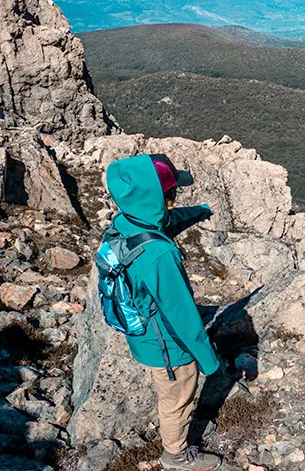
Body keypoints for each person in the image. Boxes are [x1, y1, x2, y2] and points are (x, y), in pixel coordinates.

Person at [104, 153, 223, 471]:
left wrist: (200, 212)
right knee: (177, 396)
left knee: (173, 395)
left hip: (143, 333)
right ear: (160, 198)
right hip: (168, 346)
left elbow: (166, 222)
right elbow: (183, 315)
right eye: (172, 194)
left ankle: (181, 433)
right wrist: (210, 363)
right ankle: (176, 455)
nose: (175, 197)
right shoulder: (160, 255)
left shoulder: (125, 224)